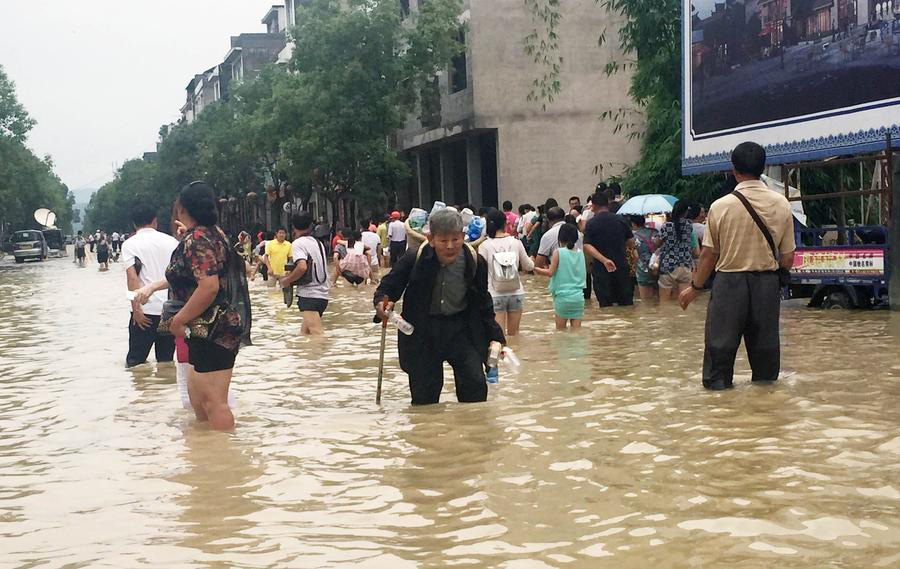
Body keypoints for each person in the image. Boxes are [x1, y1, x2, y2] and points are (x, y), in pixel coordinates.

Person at [680, 142, 796, 390]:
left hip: (729, 285)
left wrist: (695, 288)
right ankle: (765, 408)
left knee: (719, 356)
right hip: (766, 285)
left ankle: (721, 408)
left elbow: (709, 255)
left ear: (733, 170)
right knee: (766, 360)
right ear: (762, 168)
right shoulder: (781, 204)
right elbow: (788, 258)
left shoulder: (720, 207)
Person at [134, 181, 246, 430]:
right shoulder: (213, 235)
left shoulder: (198, 240)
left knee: (213, 402)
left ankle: (225, 449)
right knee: (199, 399)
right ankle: (207, 449)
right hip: (206, 328)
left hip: (213, 329)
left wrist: (179, 320)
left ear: (182, 208)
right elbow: (196, 277)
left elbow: (209, 286)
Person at [373, 208, 505, 405]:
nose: (450, 246)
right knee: (424, 401)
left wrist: (495, 337)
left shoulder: (474, 261)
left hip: (461, 330)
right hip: (423, 332)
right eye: (443, 241)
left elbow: (483, 303)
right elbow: (389, 287)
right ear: (431, 239)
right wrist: (382, 302)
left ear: (463, 237)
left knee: (475, 390)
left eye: (455, 239)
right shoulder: (414, 258)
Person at [121, 204, 179, 368]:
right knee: (166, 361)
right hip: (170, 310)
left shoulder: (129, 245)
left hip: (145, 311)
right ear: (155, 221)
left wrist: (136, 309)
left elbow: (132, 279)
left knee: (135, 363)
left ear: (134, 224)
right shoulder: (172, 242)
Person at [478, 208, 534, 337]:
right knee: (514, 335)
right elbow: (529, 266)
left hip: (495, 294)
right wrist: (532, 259)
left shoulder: (484, 246)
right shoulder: (516, 243)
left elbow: (480, 271)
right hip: (516, 293)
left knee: (499, 336)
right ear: (505, 223)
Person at [282, 211, 331, 335]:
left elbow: (302, 267)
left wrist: (287, 280)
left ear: (293, 227)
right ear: (310, 226)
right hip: (322, 294)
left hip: (309, 295)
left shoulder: (298, 243)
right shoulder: (318, 243)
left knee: (317, 333)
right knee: (305, 333)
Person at [583, 192, 634, 307]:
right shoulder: (621, 220)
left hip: (601, 271)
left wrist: (604, 260)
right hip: (621, 268)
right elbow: (631, 241)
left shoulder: (591, 223)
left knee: (606, 308)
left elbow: (587, 246)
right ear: (608, 204)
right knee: (626, 306)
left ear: (593, 206)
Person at [534, 222, 586, 330]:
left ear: (560, 238)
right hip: (578, 297)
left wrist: (536, 268)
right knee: (577, 332)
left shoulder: (558, 252)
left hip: (563, 297)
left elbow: (550, 272)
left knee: (560, 331)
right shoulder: (580, 253)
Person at [654, 200, 701, 301]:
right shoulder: (689, 226)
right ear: (686, 212)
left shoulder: (666, 226)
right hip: (685, 267)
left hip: (668, 267)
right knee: (682, 302)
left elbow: (657, 243)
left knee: (664, 304)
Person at [630, 215, 659, 300]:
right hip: (657, 267)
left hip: (643, 270)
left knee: (646, 301)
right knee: (658, 299)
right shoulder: (655, 232)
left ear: (633, 224)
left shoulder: (634, 237)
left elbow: (635, 256)